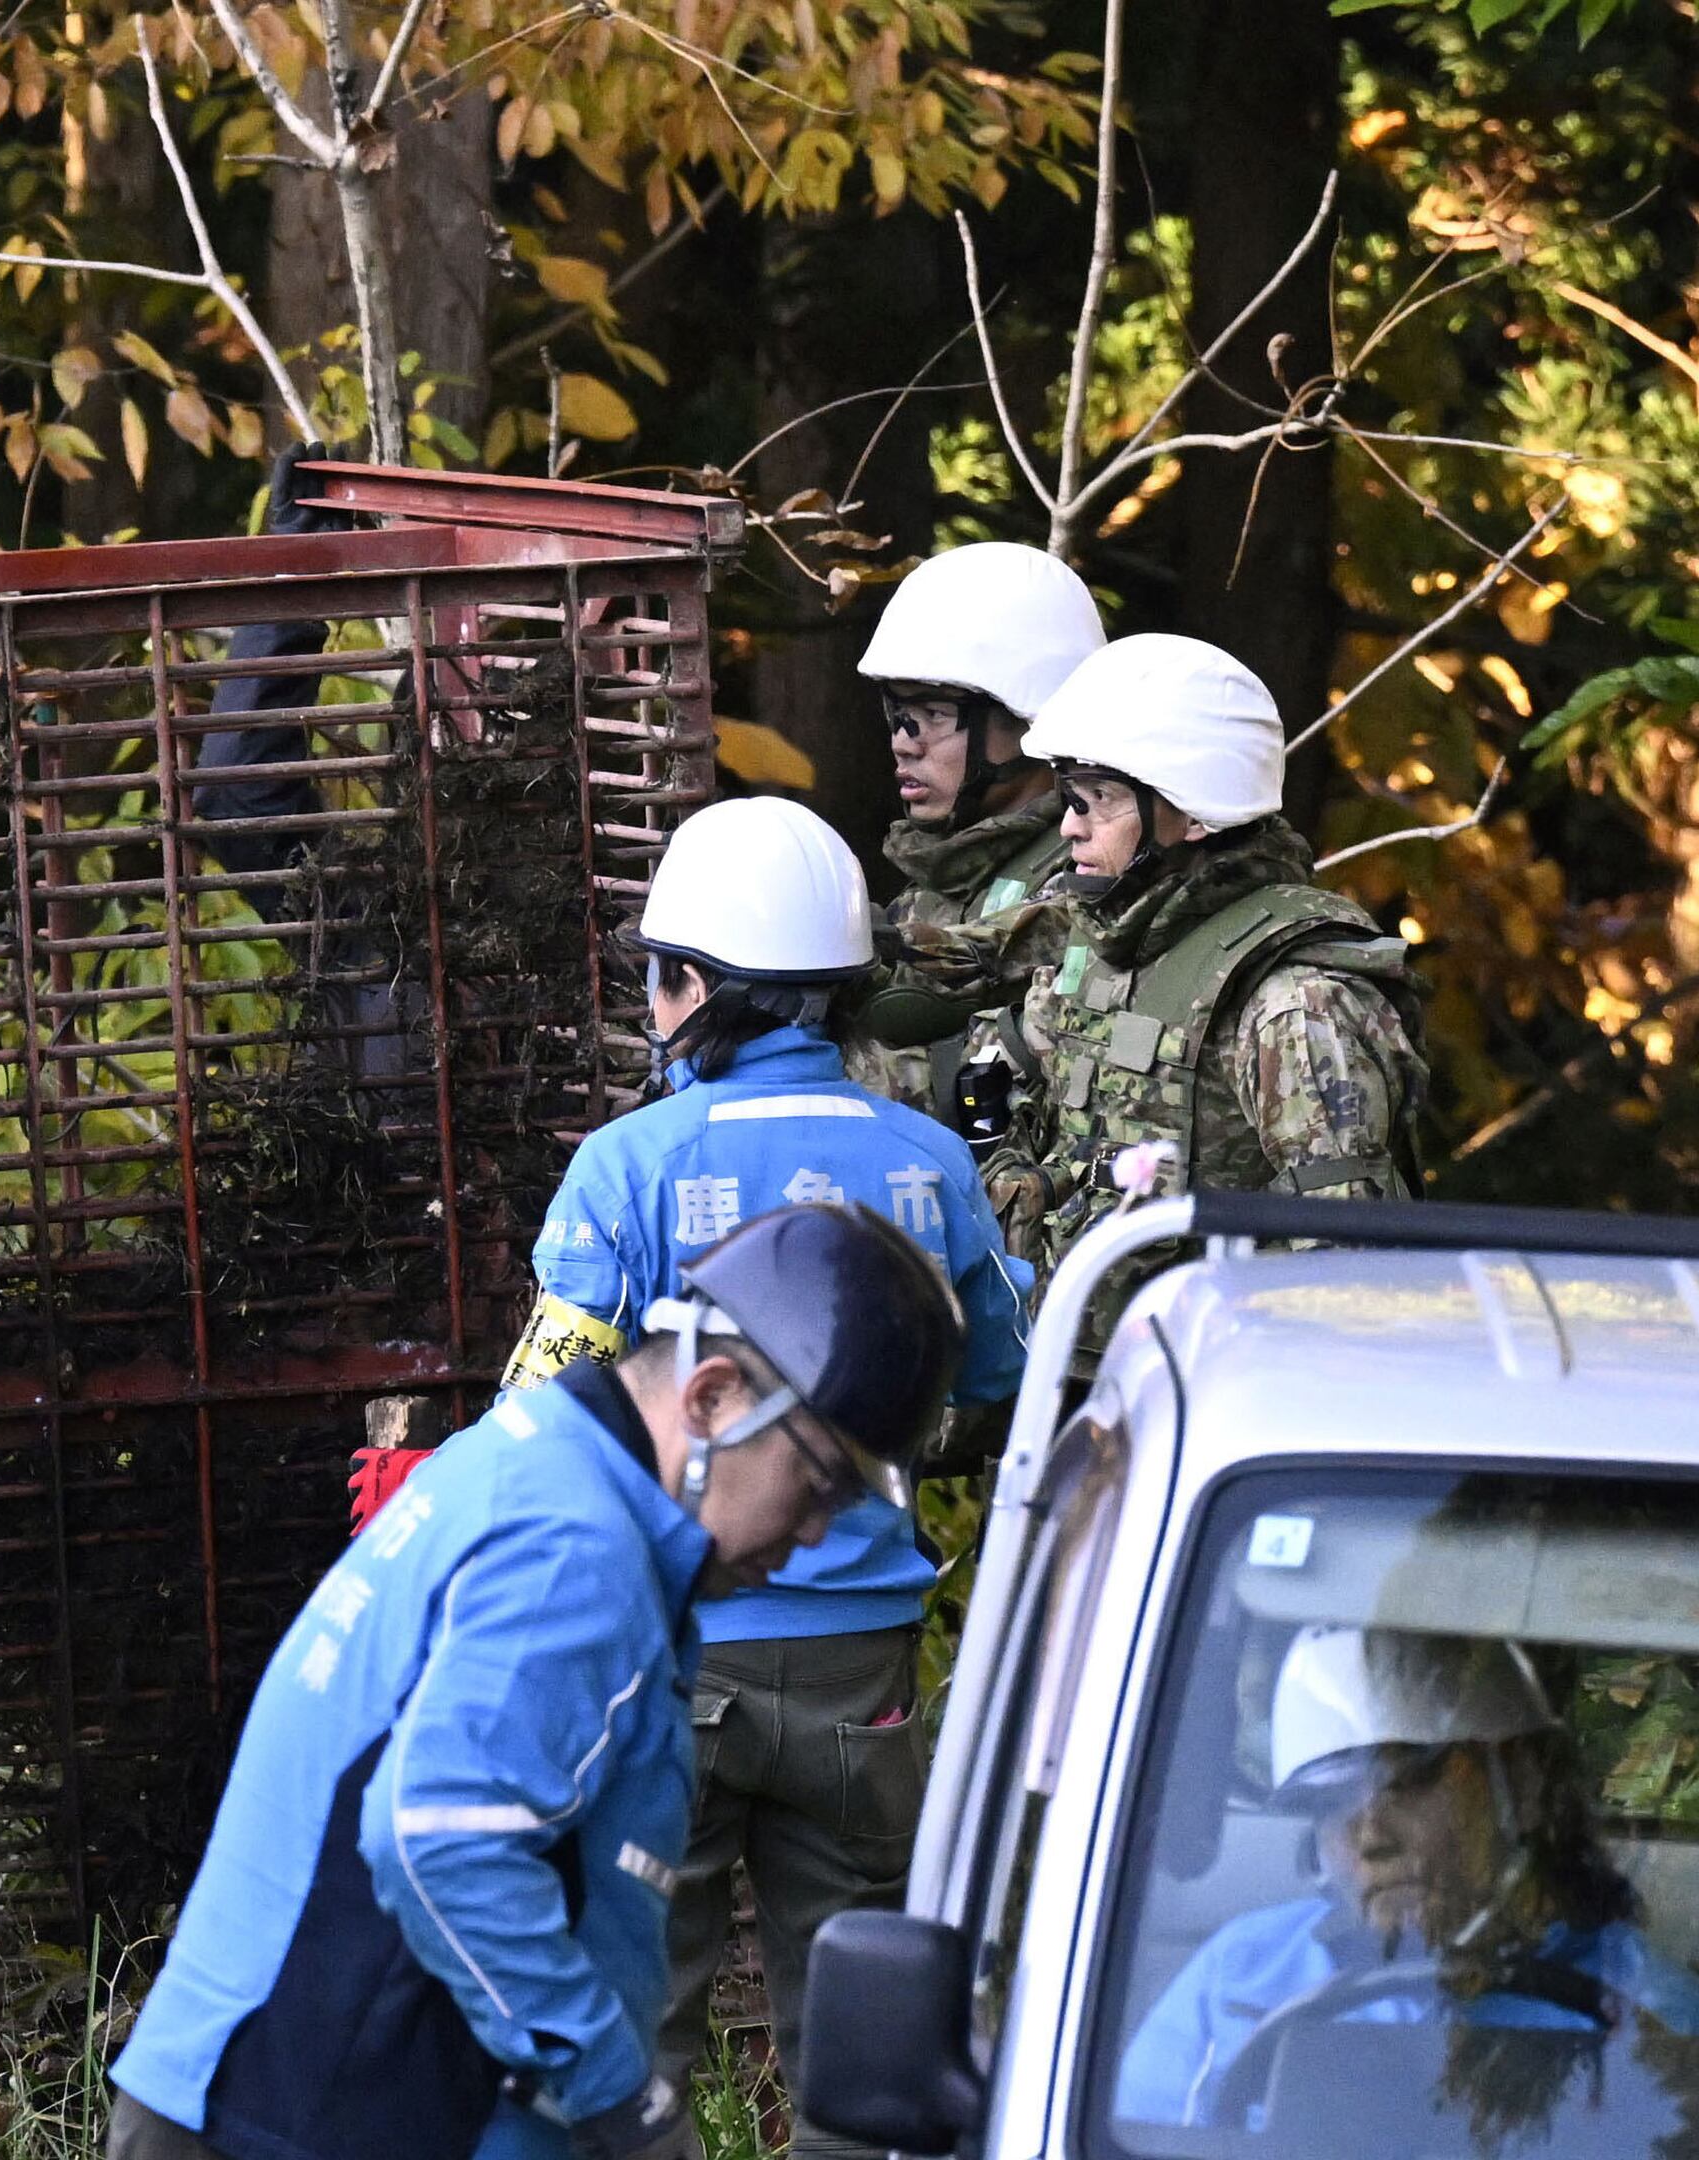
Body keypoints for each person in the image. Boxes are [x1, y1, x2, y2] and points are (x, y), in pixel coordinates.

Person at [109, 1203, 968, 2160]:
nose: (815, 1537)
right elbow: (443, 1840)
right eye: (818, 1488)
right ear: (714, 1398)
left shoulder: (544, 1466)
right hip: (299, 2111)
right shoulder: (578, 1548)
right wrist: (622, 2101)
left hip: (286, 2093)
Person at [492, 796, 1030, 2159]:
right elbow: (994, 1374)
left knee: (636, 2014)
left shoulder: (629, 1167)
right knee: (859, 2036)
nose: (652, 1007)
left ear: (703, 991)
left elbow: (540, 1408)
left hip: (674, 1658)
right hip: (867, 1667)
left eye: (659, 977)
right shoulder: (931, 1161)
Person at [1115, 1626, 1699, 2129]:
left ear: (1521, 1782)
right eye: (1330, 1806)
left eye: (1406, 1783)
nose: (1370, 1834)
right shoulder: (1238, 1973)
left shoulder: (1650, 2008)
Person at [983, 635, 1429, 1279]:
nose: (1069, 826)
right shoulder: (1107, 949)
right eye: (1071, 796)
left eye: (1100, 797)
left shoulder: (1296, 1004)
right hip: (1074, 1358)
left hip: (1209, 1367)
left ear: (1193, 815)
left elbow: (1344, 1273)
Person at [847, 542, 1103, 1139]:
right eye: (898, 714)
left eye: (935, 714)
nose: (904, 741)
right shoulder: (948, 874)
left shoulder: (1092, 870)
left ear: (1032, 721)